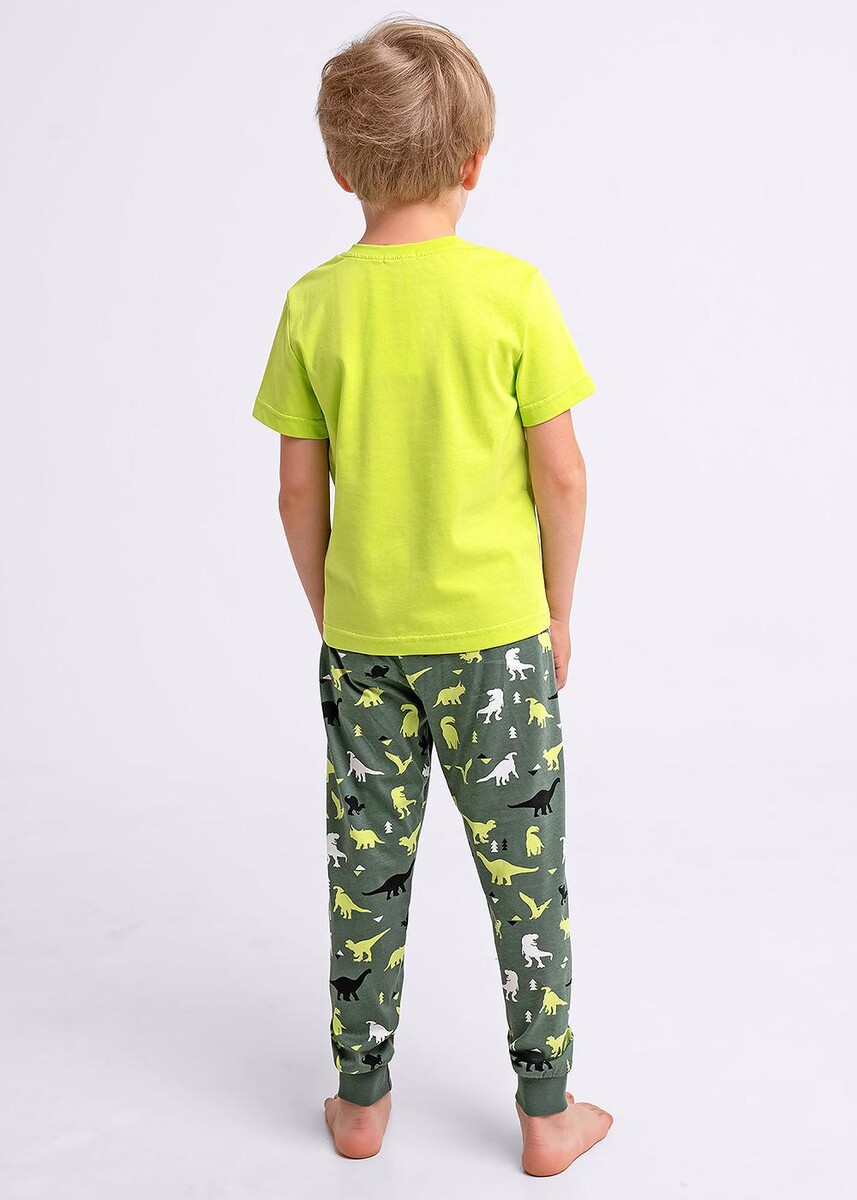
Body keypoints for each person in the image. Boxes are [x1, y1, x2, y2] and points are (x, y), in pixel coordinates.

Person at [251, 15, 612, 1178]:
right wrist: (556, 610)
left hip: (365, 645)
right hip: (499, 644)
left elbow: (295, 492)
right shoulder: (511, 293)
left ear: (338, 167)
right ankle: (546, 1115)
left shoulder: (313, 304)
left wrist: (334, 615)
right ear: (473, 160)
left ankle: (359, 1105)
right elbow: (561, 475)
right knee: (527, 882)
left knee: (364, 874)